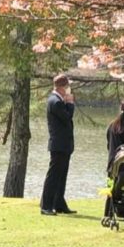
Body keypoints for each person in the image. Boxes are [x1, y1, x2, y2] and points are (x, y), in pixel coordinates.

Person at [40, 74, 76, 216]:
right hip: (58, 144)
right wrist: (70, 103)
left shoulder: (59, 101)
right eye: (67, 86)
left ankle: (59, 203)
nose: (69, 89)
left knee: (62, 175)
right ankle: (46, 205)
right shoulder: (56, 102)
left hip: (64, 145)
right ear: (62, 88)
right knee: (54, 176)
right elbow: (67, 117)